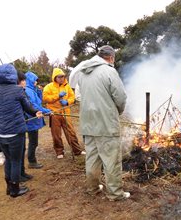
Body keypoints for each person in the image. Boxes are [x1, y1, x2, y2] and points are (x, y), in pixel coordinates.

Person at [71, 45, 129, 201]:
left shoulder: (82, 73)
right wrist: (117, 111)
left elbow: (80, 97)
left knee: (92, 158)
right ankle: (115, 194)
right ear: (110, 57)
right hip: (106, 123)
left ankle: (93, 188)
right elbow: (121, 97)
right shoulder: (109, 71)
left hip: (88, 123)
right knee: (111, 160)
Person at [0, 64, 43, 198]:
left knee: (9, 159)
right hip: (14, 132)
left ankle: (9, 186)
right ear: (13, 75)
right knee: (15, 161)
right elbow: (27, 108)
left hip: (0, 132)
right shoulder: (18, 90)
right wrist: (36, 112)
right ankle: (15, 189)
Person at [42, 67, 84, 159]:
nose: (62, 78)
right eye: (59, 77)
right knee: (56, 134)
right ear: (55, 77)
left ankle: (77, 150)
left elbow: (72, 97)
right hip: (54, 113)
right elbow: (45, 99)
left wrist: (67, 102)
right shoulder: (48, 87)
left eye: (63, 76)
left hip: (66, 113)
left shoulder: (67, 86)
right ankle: (59, 152)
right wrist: (57, 96)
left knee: (71, 132)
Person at [24, 71, 51, 168]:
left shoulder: (32, 89)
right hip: (31, 118)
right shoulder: (27, 90)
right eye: (35, 80)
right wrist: (44, 110)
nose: (36, 82)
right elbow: (33, 105)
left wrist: (39, 91)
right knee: (33, 142)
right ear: (30, 80)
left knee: (33, 141)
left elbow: (39, 101)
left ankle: (32, 160)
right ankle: (32, 161)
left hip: (34, 117)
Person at [17, 71, 34, 182]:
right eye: (22, 80)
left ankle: (22, 172)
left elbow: (27, 107)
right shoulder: (14, 93)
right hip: (15, 126)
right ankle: (18, 176)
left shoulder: (22, 92)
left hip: (21, 124)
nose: (24, 82)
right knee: (16, 154)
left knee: (22, 149)